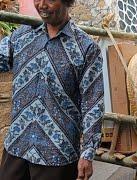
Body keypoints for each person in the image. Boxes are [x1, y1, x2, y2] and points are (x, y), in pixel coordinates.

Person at [0, 0, 104, 179]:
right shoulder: (21, 36)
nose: (41, 4)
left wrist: (87, 152)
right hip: (17, 146)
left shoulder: (86, 49)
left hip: (57, 155)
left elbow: (93, 104)